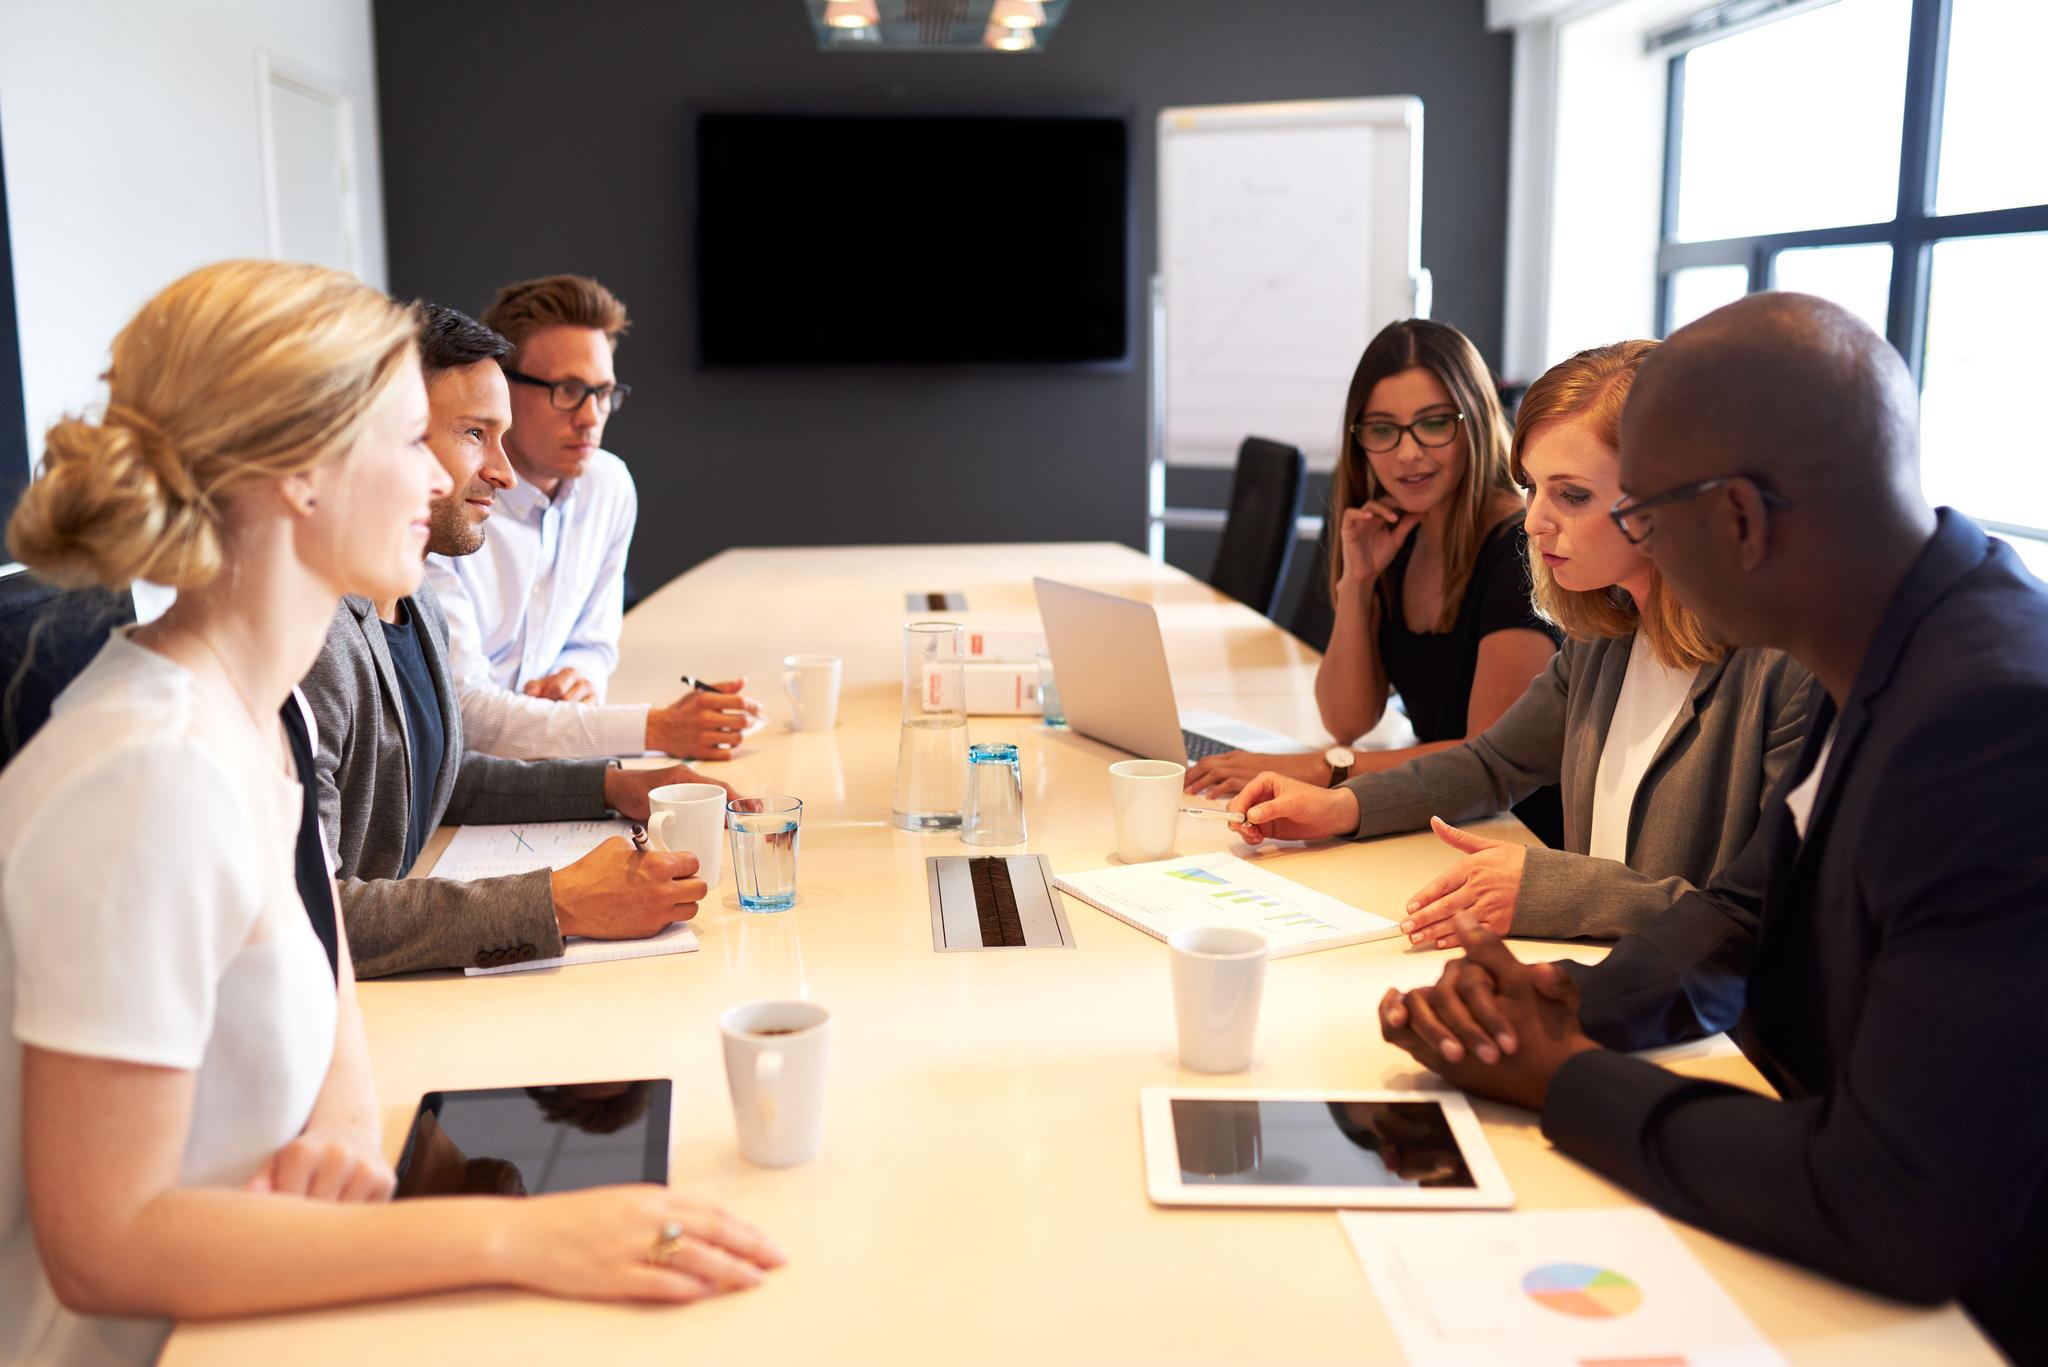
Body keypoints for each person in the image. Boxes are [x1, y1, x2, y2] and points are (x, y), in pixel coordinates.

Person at [0, 261, 781, 1366]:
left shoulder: (262, 713)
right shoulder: (143, 777)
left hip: (261, 1297)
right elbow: (106, 1247)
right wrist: (516, 1234)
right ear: (300, 475)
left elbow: (320, 970)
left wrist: (337, 1119)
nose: (458, 479)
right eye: (415, 439)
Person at [1371, 293, 2048, 1361]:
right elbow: (1743, 910)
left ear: (1735, 518)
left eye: (1639, 514)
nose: (1628, 549)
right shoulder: (1890, 631)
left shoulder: (1987, 722)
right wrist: (1553, 1008)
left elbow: (1899, 1202)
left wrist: (1565, 1080)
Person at [1227, 342, 1813, 947]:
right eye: (1532, 487)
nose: (1533, 522)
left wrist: (1547, 890)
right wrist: (1344, 807)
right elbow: (1492, 763)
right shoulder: (1606, 634)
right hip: (1595, 980)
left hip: (1703, 1030)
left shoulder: (1786, 670)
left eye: (1572, 495)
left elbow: (1765, 921)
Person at [302, 304, 733, 979]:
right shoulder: (314, 645)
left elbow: (440, 780)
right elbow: (315, 915)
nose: (502, 473)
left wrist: (614, 786)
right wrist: (556, 902)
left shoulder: (414, 599)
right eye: (475, 434)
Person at [1184, 319, 1563, 846]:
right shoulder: (1397, 532)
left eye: (1433, 424)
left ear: (1474, 421)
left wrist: (1325, 770)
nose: (1407, 453)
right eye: (1383, 429)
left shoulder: (1515, 551)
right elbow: (1347, 719)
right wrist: (1358, 583)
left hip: (1512, 832)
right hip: (1433, 816)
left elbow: (1489, 755)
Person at [423, 273, 758, 761]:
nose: (590, 416)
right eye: (568, 390)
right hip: (467, 779)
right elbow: (466, 713)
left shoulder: (609, 486)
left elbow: (594, 643)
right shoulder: (444, 504)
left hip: (549, 761)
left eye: (603, 393)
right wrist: (658, 728)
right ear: (503, 386)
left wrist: (579, 679)